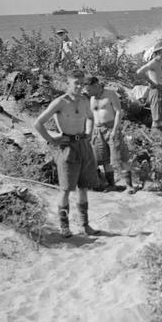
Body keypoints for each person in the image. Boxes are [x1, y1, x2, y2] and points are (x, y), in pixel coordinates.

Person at [33, 70, 99, 238]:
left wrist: (89, 133)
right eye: (75, 83)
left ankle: (85, 225)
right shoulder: (60, 102)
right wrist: (53, 140)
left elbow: (91, 117)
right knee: (65, 189)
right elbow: (38, 123)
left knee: (83, 188)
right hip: (68, 146)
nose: (79, 86)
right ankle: (64, 226)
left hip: (83, 145)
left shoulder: (85, 100)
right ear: (67, 84)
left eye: (81, 83)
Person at [86, 77, 136, 194]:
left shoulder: (110, 94)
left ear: (96, 86)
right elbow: (91, 116)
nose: (87, 92)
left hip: (111, 129)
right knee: (104, 159)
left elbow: (119, 112)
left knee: (120, 157)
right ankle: (111, 184)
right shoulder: (92, 98)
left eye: (89, 89)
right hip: (97, 131)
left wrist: (115, 130)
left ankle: (129, 186)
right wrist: (90, 132)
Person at [136, 41, 162, 129]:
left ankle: (159, 136)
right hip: (156, 90)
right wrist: (151, 82)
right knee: (156, 118)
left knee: (161, 117)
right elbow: (139, 72)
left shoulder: (161, 62)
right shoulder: (154, 62)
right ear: (157, 53)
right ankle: (155, 135)